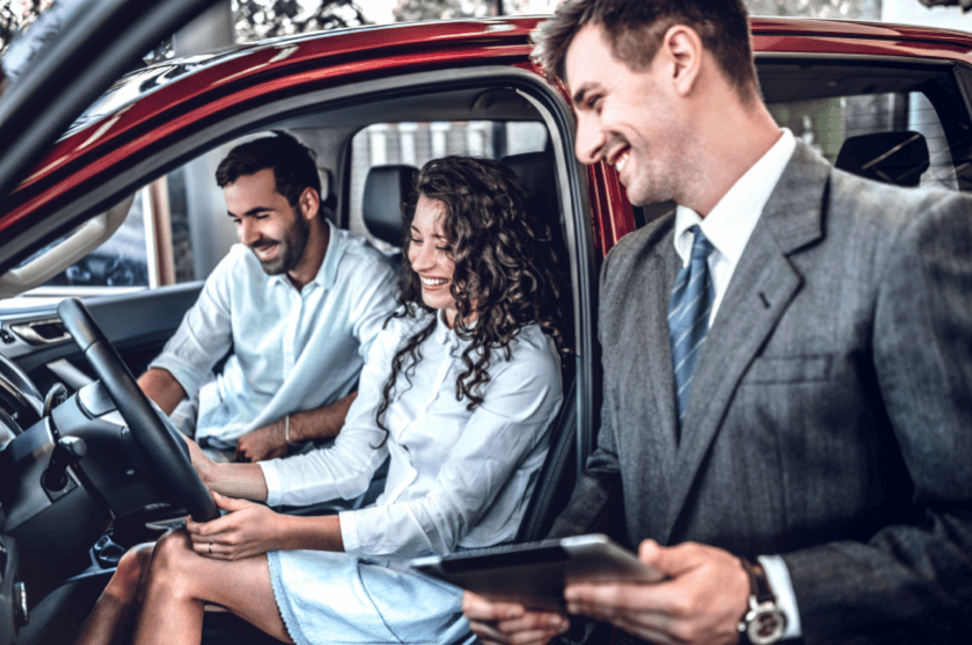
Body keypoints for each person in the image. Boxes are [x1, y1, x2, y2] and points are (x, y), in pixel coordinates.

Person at [463, 1, 972, 644]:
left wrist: (766, 594)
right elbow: (614, 468)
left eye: (594, 102)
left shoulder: (907, 242)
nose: (586, 144)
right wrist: (540, 590)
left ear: (679, 59)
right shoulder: (628, 270)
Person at [73, 155, 566, 645]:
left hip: (440, 594)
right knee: (144, 559)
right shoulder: (409, 332)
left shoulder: (526, 365)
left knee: (179, 561)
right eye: (416, 239)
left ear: (491, 248)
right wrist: (214, 474)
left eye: (446, 245)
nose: (419, 261)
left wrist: (281, 531)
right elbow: (351, 463)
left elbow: (439, 522)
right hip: (378, 560)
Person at [137, 132, 397, 463]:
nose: (246, 237)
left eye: (261, 216)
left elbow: (390, 391)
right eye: (238, 220)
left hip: (285, 457)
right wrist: (124, 429)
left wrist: (289, 430)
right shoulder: (239, 265)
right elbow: (181, 364)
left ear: (307, 204)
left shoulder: (368, 277)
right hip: (209, 425)